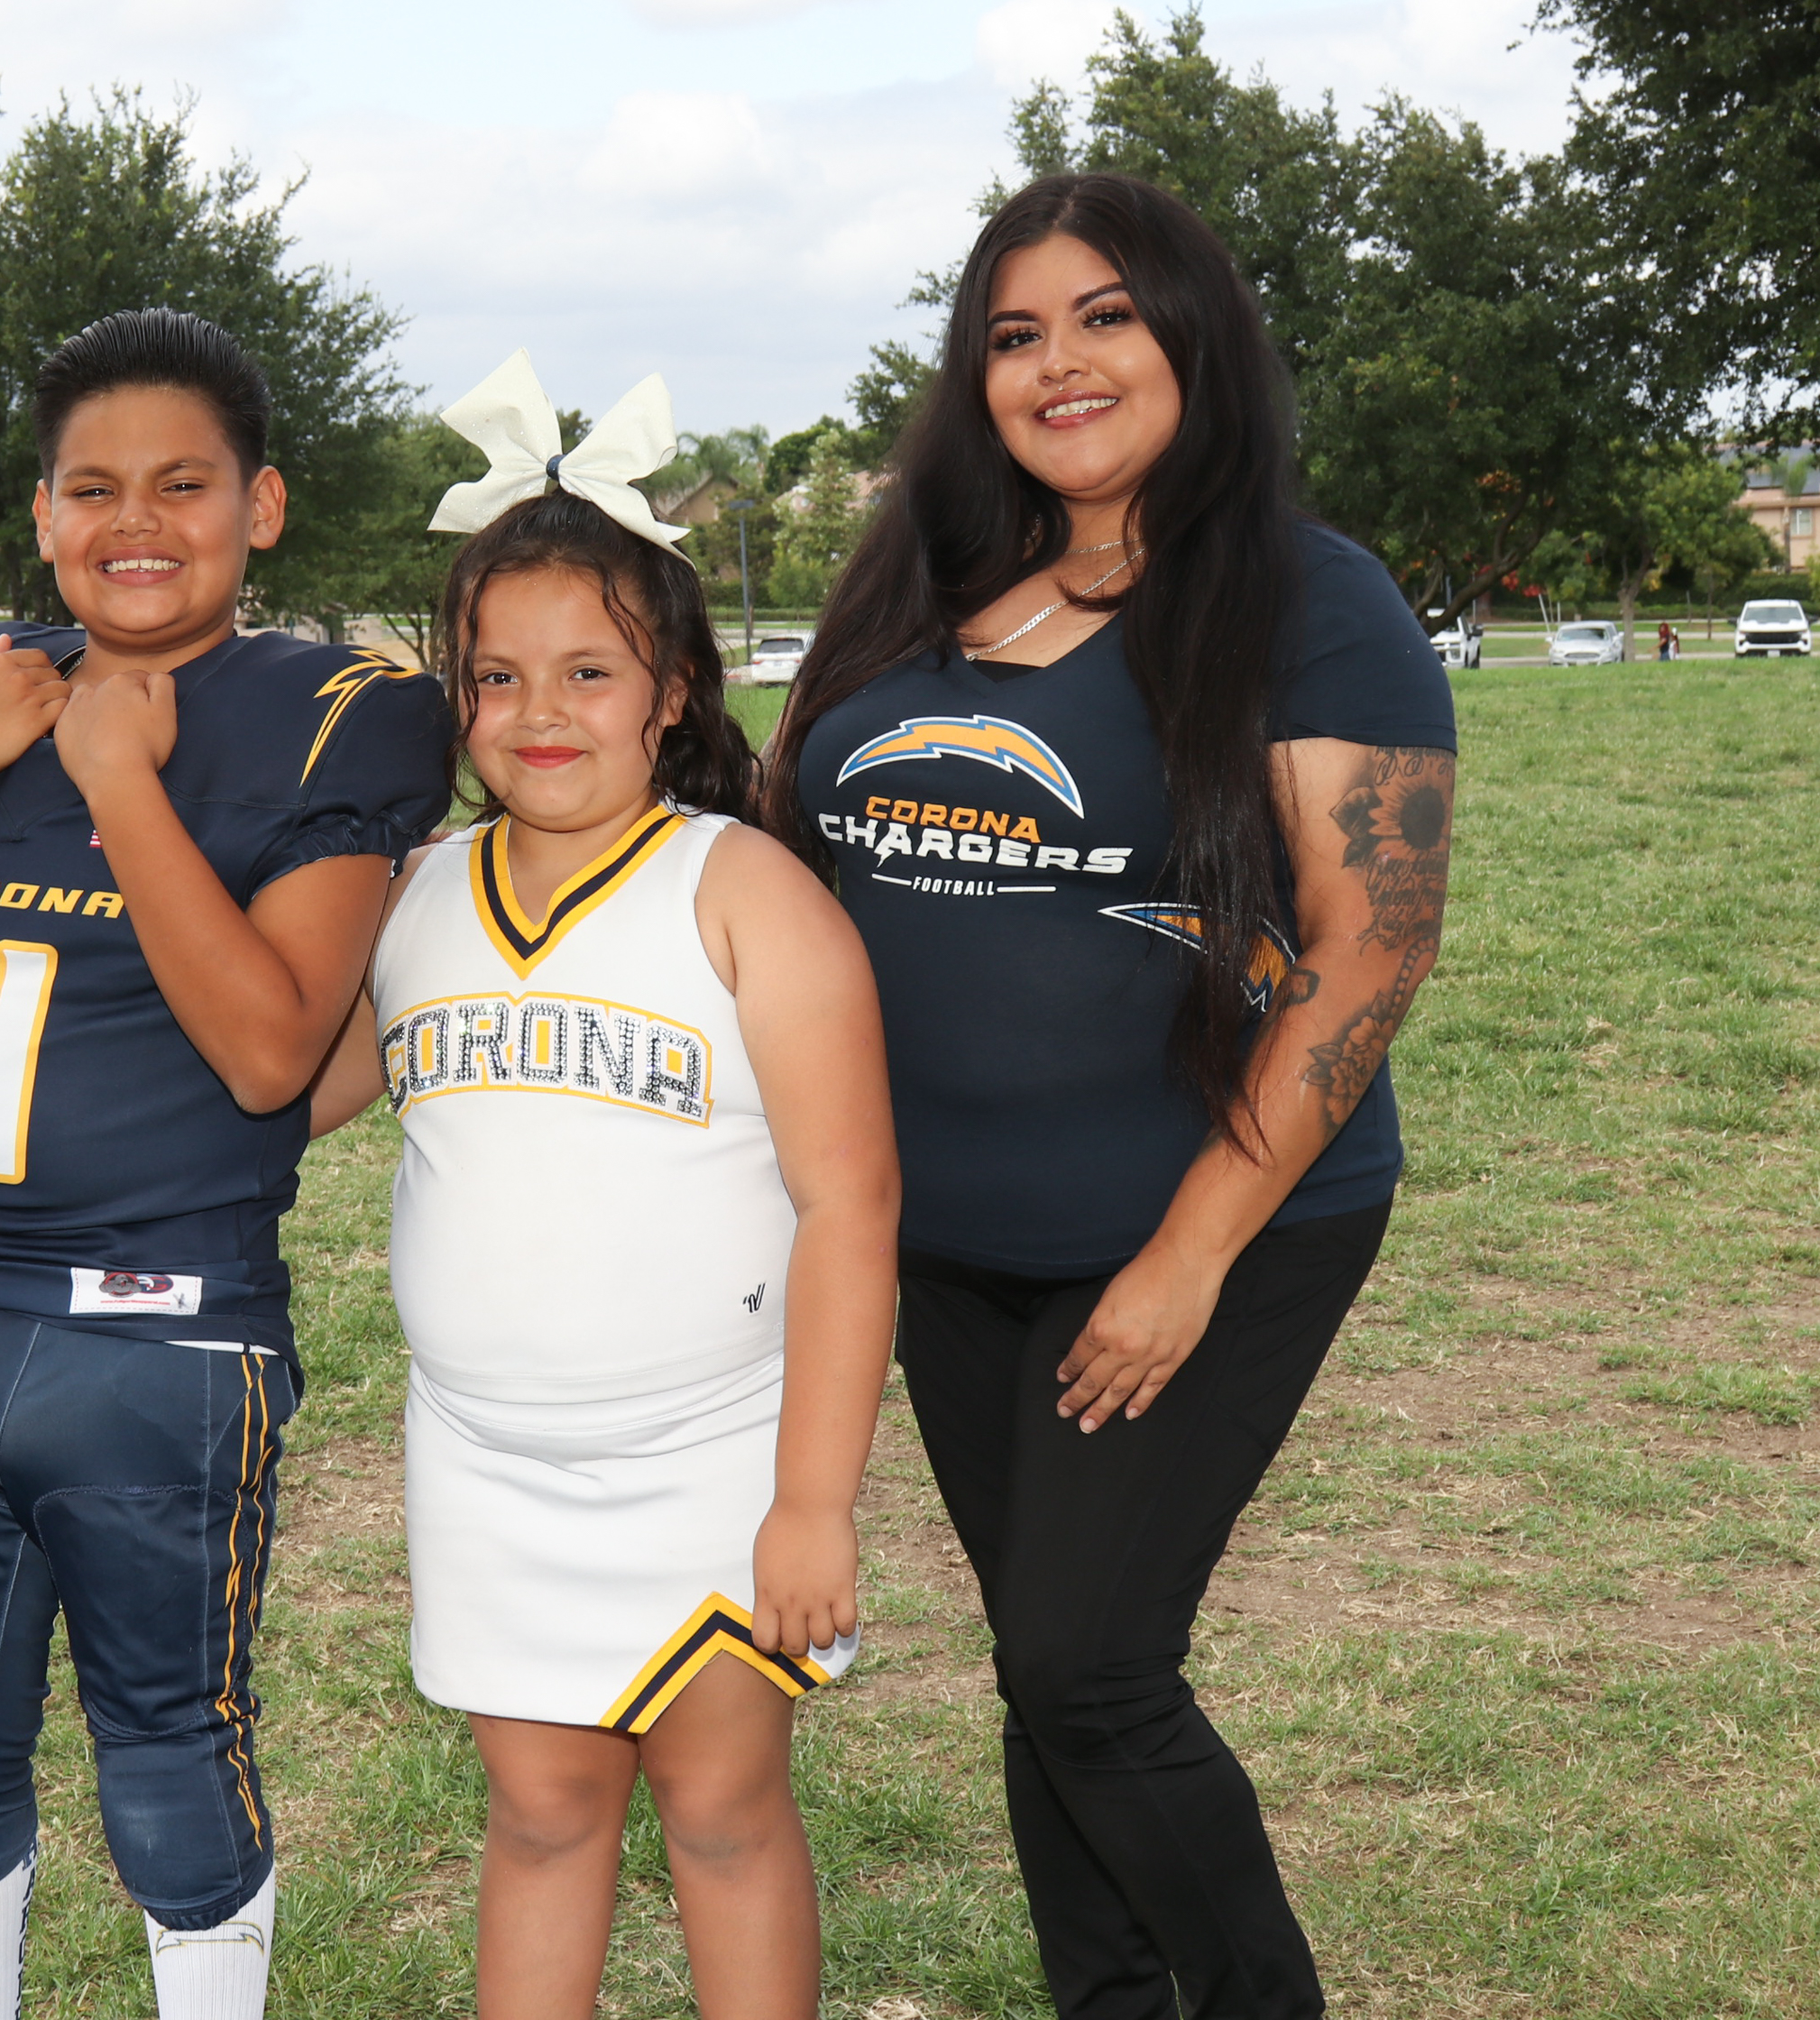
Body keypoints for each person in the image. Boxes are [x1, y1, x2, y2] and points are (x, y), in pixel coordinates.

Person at [759, 175, 1457, 2020]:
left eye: (1103, 318)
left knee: (1086, 1664)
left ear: (1191, 337)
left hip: (1205, 1224)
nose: (1056, 364)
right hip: (939, 1242)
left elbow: (1373, 944)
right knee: (1043, 1663)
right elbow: (782, 855)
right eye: (1013, 334)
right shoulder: (917, 581)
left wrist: (1183, 1258)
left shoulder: (1307, 595)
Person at [0, 308, 450, 2020]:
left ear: (260, 506)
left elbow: (272, 1051)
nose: (136, 523)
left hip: (163, 1327)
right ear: (43, 512)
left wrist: (119, 784)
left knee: (167, 1746)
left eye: (182, 484)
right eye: (93, 489)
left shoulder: (333, 717)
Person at [308, 355, 901, 2020]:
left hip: (713, 1455)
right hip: (485, 1454)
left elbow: (852, 1208)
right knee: (542, 1816)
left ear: (672, 688)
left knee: (721, 1814)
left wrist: (814, 1501)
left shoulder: (745, 893)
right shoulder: (418, 893)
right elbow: (283, 1093)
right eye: (496, 677)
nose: (540, 713)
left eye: (588, 671)